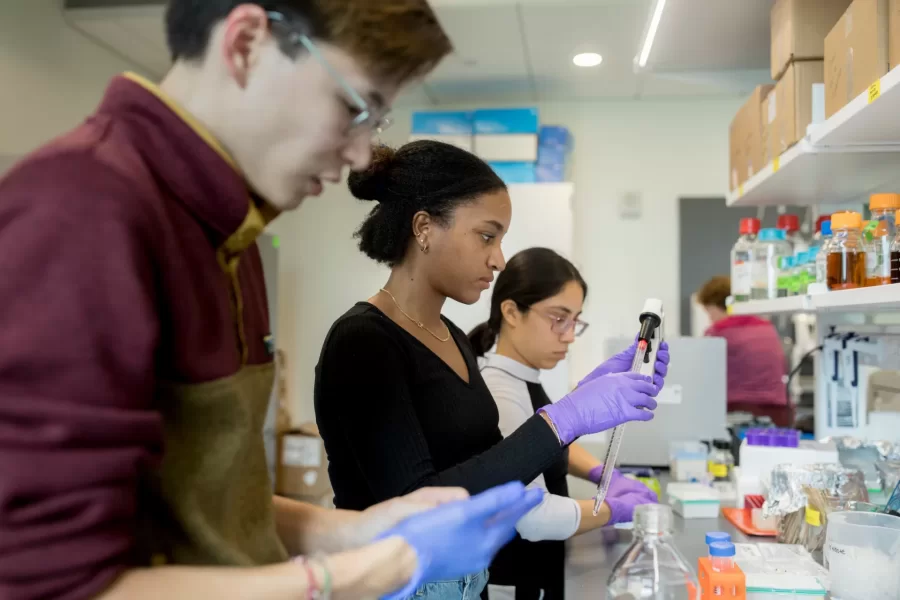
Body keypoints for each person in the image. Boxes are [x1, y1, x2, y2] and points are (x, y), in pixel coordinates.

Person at [0, 2, 545, 599]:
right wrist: (362, 571)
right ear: (247, 44)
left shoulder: (232, 235)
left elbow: (207, 501)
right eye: (352, 107)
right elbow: (51, 586)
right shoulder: (82, 211)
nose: (362, 155)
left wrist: (359, 529)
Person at [314, 141, 669, 599]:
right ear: (424, 228)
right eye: (487, 236)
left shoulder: (452, 337)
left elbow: (496, 467)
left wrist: (584, 400)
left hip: (468, 582)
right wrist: (565, 419)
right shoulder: (363, 342)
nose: (499, 258)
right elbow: (418, 506)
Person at [467, 247, 662, 599]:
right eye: (558, 318)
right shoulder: (499, 390)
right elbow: (535, 516)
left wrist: (602, 474)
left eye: (576, 320)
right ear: (511, 311)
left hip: (538, 570)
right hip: (515, 579)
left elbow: (539, 447)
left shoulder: (524, 377)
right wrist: (614, 509)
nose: (570, 335)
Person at [697, 276, 792, 426]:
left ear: (714, 305)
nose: (710, 318)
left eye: (708, 312)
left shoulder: (717, 332)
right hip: (779, 412)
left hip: (739, 413)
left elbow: (702, 378)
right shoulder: (766, 327)